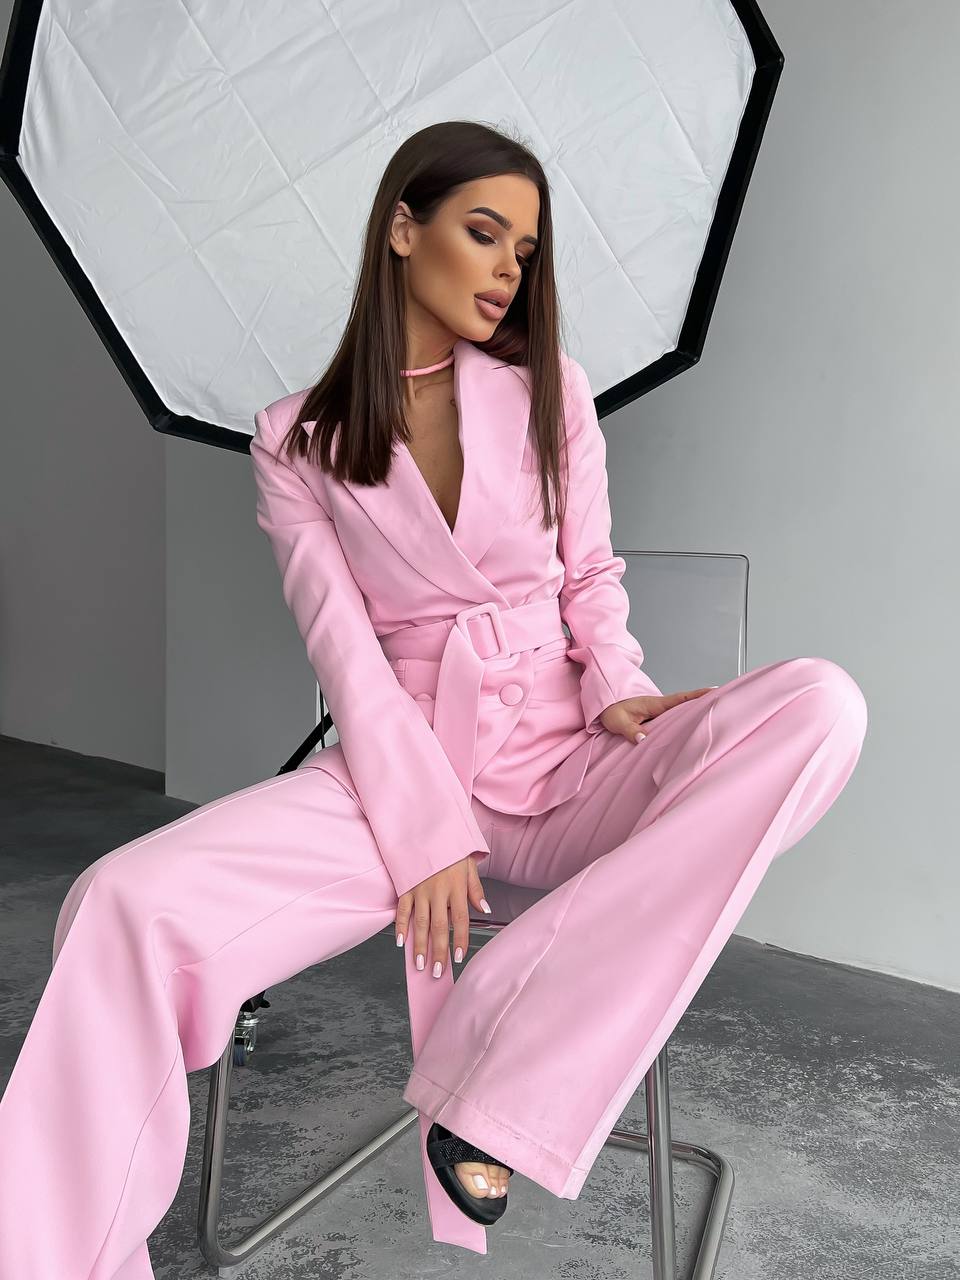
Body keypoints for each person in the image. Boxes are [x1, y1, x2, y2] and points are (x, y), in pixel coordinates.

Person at [0, 120, 869, 1276]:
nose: (510, 267)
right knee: (119, 900)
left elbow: (592, 575)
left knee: (821, 703)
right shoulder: (294, 441)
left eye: (526, 247)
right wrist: (423, 830)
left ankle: (501, 1061)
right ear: (404, 230)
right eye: (483, 231)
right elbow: (346, 653)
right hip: (396, 765)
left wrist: (619, 683)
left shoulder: (548, 387)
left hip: (574, 761)